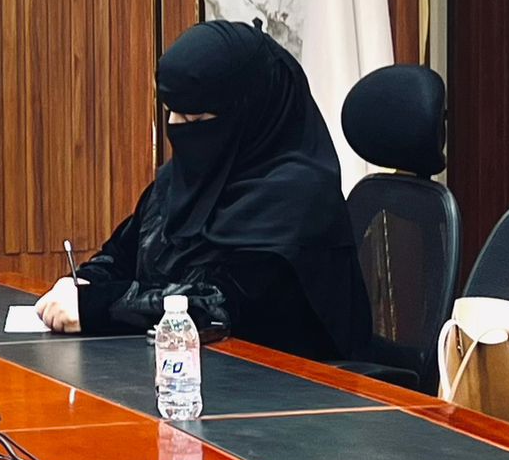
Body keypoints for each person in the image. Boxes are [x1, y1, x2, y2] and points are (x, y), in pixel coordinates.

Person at [34, 20, 371, 361]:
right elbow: (121, 254)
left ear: (246, 116)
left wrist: (97, 307)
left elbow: (216, 305)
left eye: (194, 121)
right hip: (181, 371)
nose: (176, 130)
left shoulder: (299, 200)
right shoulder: (181, 179)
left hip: (283, 382)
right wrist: (83, 283)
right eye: (172, 114)